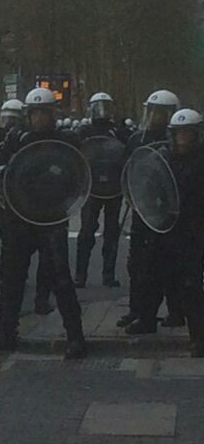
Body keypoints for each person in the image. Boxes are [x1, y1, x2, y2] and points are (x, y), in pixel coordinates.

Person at [0, 87, 86, 359]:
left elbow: (77, 174)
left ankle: (75, 336)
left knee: (61, 279)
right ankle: (7, 332)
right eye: (34, 114)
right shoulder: (15, 140)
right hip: (19, 217)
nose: (38, 119)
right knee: (11, 279)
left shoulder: (64, 142)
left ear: (52, 114)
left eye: (43, 113)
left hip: (51, 218)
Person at [127, 109, 204, 356]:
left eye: (186, 134)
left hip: (193, 230)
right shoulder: (163, 158)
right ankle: (147, 318)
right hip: (164, 227)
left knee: (190, 284)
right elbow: (150, 187)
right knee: (151, 273)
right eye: (177, 134)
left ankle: (198, 337)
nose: (181, 139)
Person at [0, 98, 55, 316]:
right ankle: (8, 323)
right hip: (15, 206)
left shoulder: (51, 139)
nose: (8, 124)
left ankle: (42, 299)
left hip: (46, 207)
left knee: (50, 261)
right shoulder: (10, 140)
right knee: (13, 263)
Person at [119, 90, 182, 331]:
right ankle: (137, 309)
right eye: (152, 111)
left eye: (161, 112)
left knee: (168, 264)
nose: (155, 116)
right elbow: (126, 169)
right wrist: (131, 195)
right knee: (137, 263)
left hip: (169, 211)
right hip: (142, 208)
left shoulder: (177, 141)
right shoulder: (138, 139)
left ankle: (176, 311)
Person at [75, 92, 126, 289]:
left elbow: (127, 154)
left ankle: (108, 275)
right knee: (87, 231)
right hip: (91, 187)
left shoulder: (117, 131)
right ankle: (80, 275)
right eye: (98, 107)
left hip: (113, 187)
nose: (102, 111)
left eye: (106, 106)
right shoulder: (85, 132)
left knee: (112, 232)